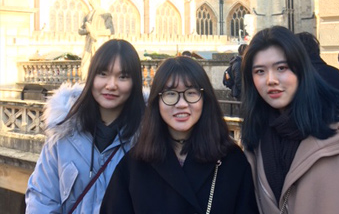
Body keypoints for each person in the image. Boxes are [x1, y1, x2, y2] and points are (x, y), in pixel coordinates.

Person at [241, 26, 339, 214]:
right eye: (260, 71)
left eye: (281, 68)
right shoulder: (254, 137)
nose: (271, 80)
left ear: (302, 70)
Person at [100, 56, 259, 214]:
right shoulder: (134, 165)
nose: (181, 104)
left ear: (204, 99)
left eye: (191, 93)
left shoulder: (232, 161)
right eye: (170, 94)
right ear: (157, 101)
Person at [25, 39, 145, 214]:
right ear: (91, 77)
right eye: (103, 74)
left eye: (123, 77)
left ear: (135, 82)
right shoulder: (62, 133)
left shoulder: (148, 138)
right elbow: (41, 200)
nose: (111, 85)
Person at [78, 0, 115, 82]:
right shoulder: (88, 15)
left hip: (99, 43)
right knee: (85, 66)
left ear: (96, 0)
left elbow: (111, 30)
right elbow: (80, 30)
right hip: (88, 44)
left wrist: (95, 32)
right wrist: (87, 30)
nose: (89, 2)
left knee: (100, 65)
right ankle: (86, 85)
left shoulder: (105, 14)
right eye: (88, 0)